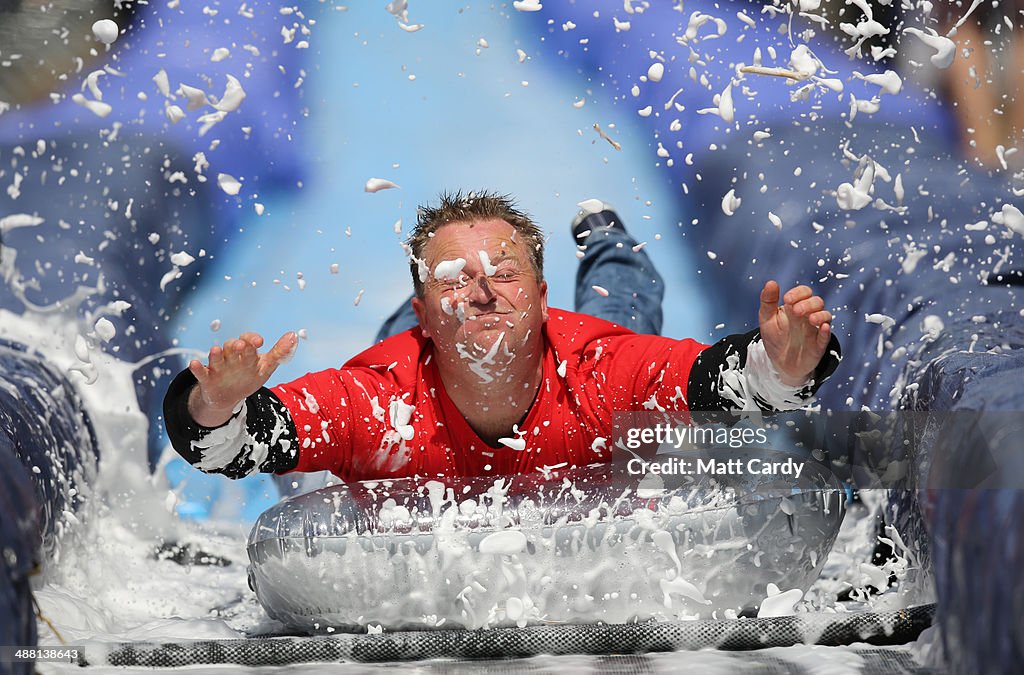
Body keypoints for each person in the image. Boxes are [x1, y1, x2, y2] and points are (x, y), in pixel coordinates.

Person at [163, 191, 840, 482]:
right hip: (418, 354)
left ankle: (608, 240)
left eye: (506, 274)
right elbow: (230, 443)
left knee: (624, 306)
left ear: (543, 300)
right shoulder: (380, 404)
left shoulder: (600, 367)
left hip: (590, 353)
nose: (485, 290)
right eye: (459, 277)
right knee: (409, 334)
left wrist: (780, 364)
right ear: (426, 315)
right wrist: (215, 401)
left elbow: (728, 381)